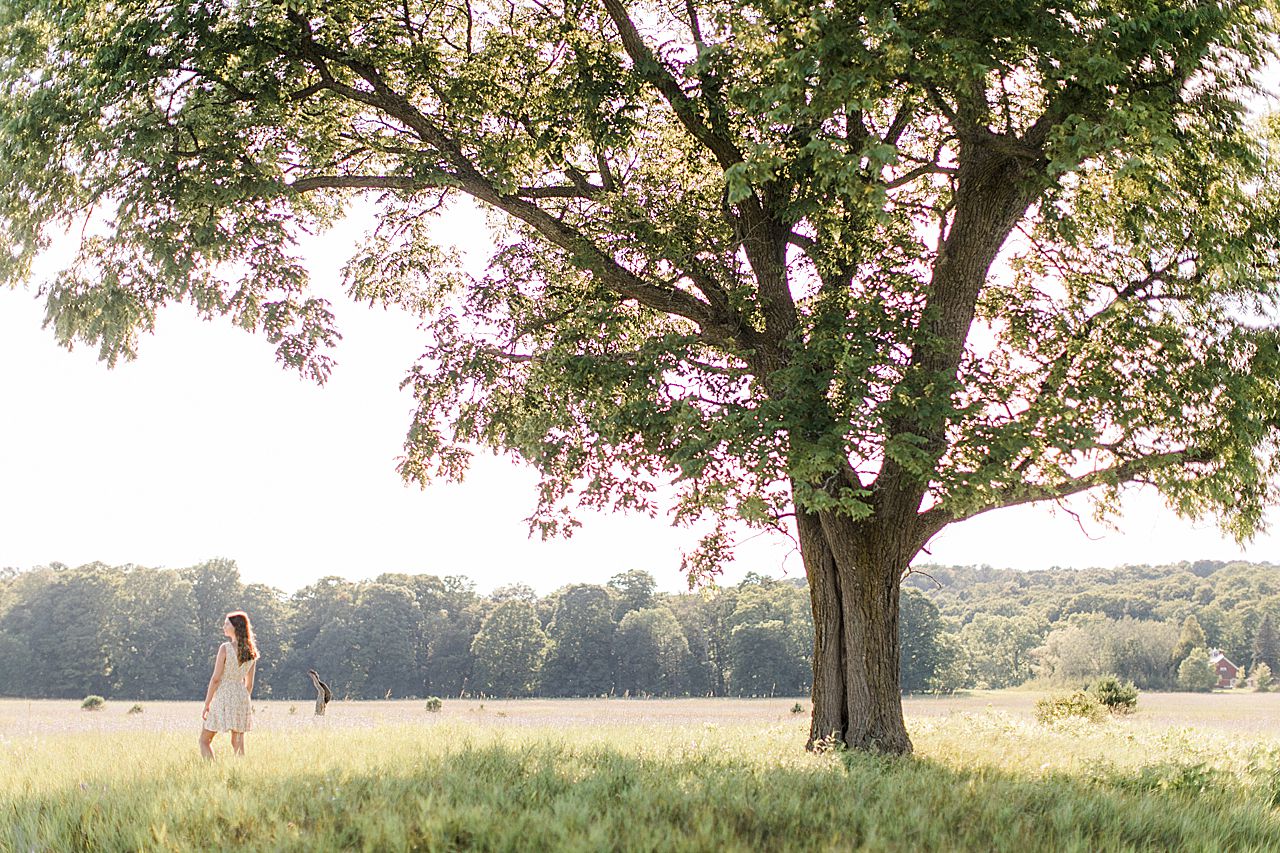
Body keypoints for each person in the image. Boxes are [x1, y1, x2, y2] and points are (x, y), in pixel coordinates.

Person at [199, 610, 258, 759]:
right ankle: (241, 774)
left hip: (224, 694)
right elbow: (249, 685)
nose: (223, 626)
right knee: (237, 743)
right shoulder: (251, 652)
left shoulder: (225, 648)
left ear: (235, 627)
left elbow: (216, 679)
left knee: (204, 740)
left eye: (226, 624)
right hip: (241, 696)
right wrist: (242, 700)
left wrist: (207, 703)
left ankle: (211, 771)